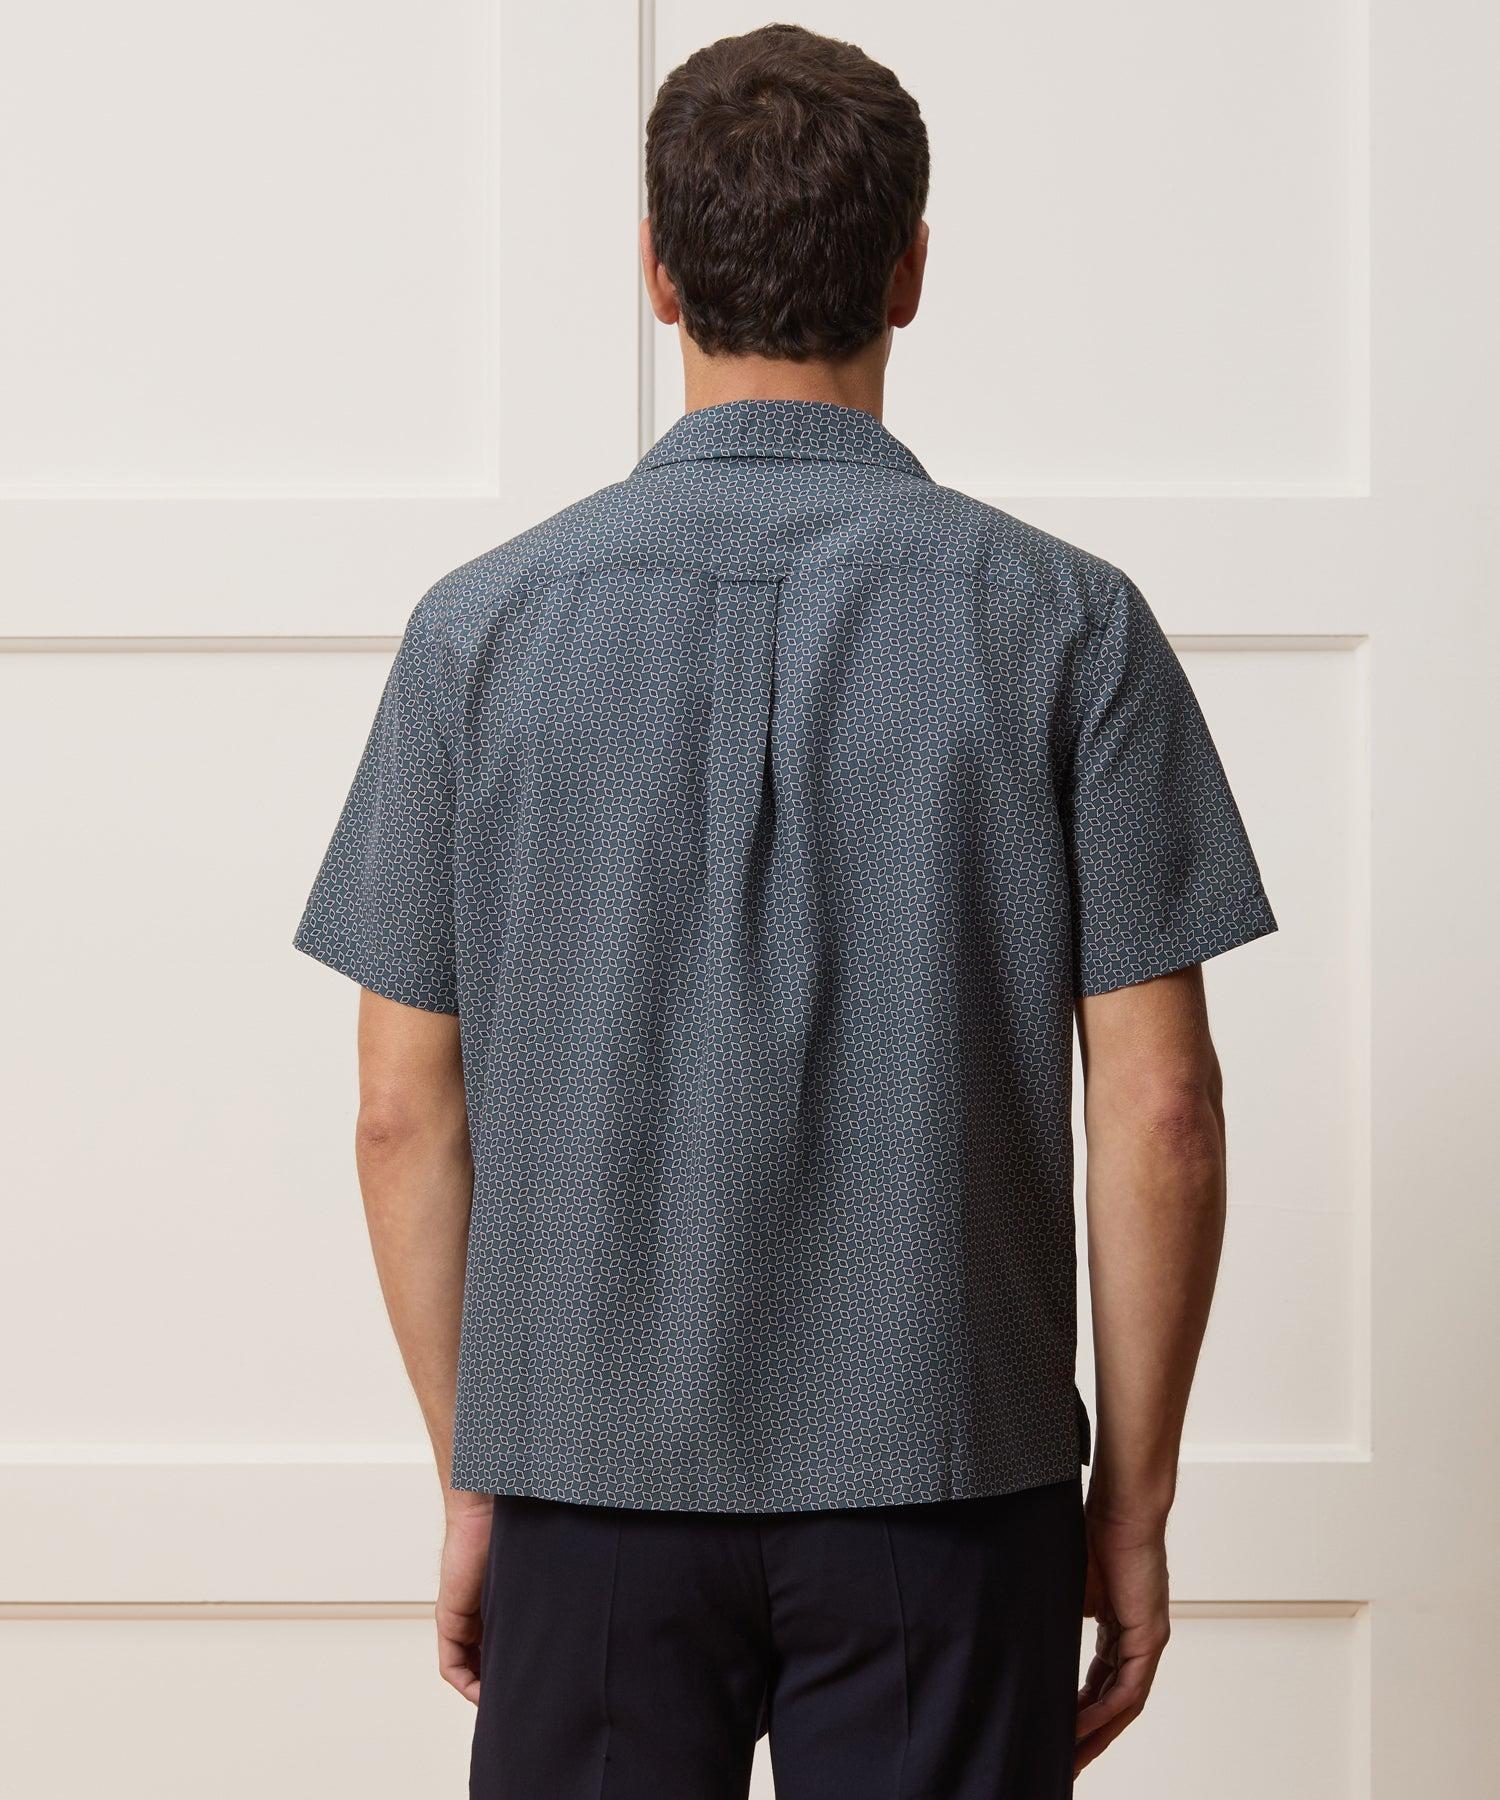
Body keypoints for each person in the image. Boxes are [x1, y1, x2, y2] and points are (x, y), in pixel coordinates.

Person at [293, 22, 1277, 1798]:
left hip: (587, 1481)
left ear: (656, 273)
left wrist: (479, 1472)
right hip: (948, 1484)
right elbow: (1164, 1112)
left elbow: (395, 1113)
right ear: (911, 270)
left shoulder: (479, 634)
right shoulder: (1069, 625)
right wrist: (1130, 1512)